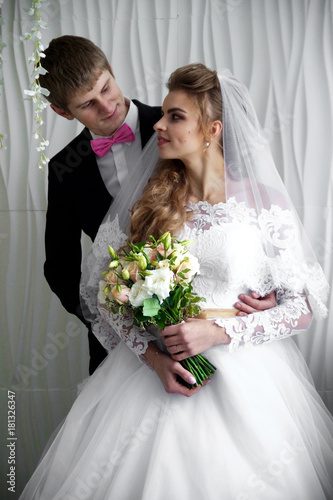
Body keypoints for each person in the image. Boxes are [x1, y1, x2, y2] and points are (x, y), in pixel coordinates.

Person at [20, 64, 333, 499]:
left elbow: (305, 304)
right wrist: (154, 358)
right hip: (152, 377)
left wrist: (221, 329)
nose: (158, 126)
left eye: (175, 117)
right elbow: (105, 296)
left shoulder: (265, 203)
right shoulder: (150, 202)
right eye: (163, 114)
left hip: (248, 375)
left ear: (213, 129)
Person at [40, 36, 274, 374]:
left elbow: (245, 209)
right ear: (62, 112)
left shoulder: (183, 124)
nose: (106, 107)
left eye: (106, 88)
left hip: (217, 334)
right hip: (121, 349)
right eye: (87, 104)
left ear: (112, 71)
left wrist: (263, 289)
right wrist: (113, 312)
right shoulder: (64, 169)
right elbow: (59, 267)